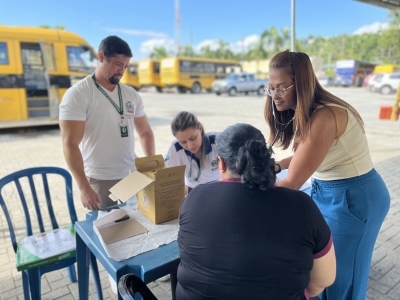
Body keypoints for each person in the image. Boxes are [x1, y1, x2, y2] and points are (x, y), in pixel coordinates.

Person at [264, 50, 390, 300]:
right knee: (322, 268)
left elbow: (292, 184)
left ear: (300, 84)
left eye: (281, 88)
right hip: (331, 192)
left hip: (355, 199)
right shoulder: (308, 110)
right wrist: (277, 166)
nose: (274, 96)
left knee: (340, 278)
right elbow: (306, 156)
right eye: (270, 88)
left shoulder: (324, 116)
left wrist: (245, 194)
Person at [177, 123, 336, 300]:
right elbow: (323, 280)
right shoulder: (302, 205)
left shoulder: (193, 198)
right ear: (265, 161)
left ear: (221, 163)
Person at [59, 35, 155, 211]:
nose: (122, 71)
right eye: (118, 64)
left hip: (131, 174)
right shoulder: (78, 94)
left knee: (137, 222)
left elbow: (146, 133)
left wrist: (150, 165)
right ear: (101, 57)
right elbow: (70, 144)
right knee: (108, 231)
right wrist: (83, 187)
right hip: (100, 179)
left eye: (125, 66)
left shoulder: (131, 94)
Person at [164, 111, 220, 194]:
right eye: (183, 142)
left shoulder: (218, 141)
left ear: (200, 128)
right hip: (193, 194)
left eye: (193, 138)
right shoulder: (175, 148)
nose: (190, 146)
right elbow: (166, 180)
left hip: (219, 190)